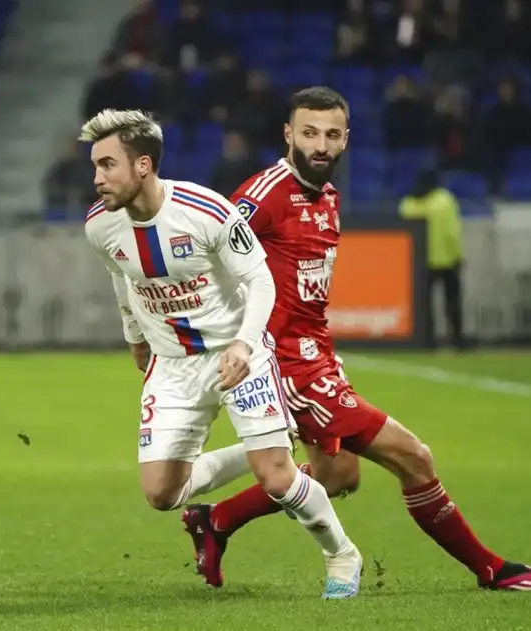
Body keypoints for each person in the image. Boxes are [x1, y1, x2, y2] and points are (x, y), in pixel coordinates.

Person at [182, 86, 531, 592]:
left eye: (331, 135)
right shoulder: (263, 195)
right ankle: (491, 569)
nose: (320, 145)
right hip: (284, 364)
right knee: (414, 456)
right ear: (288, 134)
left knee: (338, 475)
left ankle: (215, 520)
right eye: (309, 133)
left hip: (318, 355)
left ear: (346, 139)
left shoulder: (328, 196)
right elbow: (205, 254)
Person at [81, 108, 363, 599]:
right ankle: (273, 440)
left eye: (107, 165)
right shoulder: (100, 226)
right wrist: (134, 335)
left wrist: (244, 344)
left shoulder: (205, 210)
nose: (97, 179)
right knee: (161, 493)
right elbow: (121, 278)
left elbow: (261, 281)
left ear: (143, 165)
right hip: (172, 364)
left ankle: (341, 554)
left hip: (237, 354)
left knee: (277, 479)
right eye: (96, 166)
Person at [399, 169, 466, 350]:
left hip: (419, 262)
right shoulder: (444, 201)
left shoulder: (408, 204)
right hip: (446, 259)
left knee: (423, 305)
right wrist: (458, 254)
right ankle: (457, 339)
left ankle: (426, 340)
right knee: (452, 301)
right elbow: (452, 232)